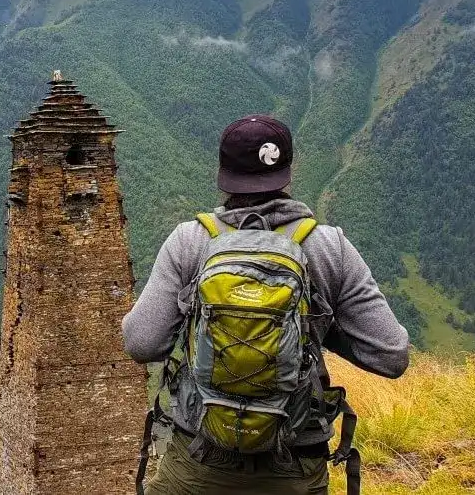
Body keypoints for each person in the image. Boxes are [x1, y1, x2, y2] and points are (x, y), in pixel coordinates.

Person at [123, 114, 410, 495]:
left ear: (223, 175)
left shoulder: (190, 241)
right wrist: (311, 328)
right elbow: (391, 355)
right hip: (292, 466)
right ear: (288, 173)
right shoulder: (329, 248)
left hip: (197, 462)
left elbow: (142, 343)